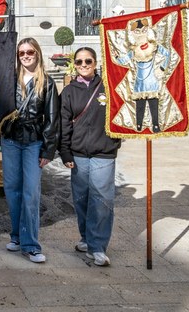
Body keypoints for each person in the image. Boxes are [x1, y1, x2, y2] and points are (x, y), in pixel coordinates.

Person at [60, 46, 122, 267]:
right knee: (82, 199)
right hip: (77, 154)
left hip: (103, 152)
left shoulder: (109, 86)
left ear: (95, 63)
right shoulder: (68, 91)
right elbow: (63, 124)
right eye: (79, 62)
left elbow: (122, 112)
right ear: (74, 65)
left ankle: (98, 246)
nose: (84, 65)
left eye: (88, 61)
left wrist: (115, 141)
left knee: (102, 200)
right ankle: (87, 238)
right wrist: (64, 151)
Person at [0, 37, 60, 263]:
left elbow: (53, 119)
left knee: (31, 193)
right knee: (12, 189)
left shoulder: (48, 82)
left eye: (30, 52)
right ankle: (16, 236)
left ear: (38, 54)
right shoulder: (10, 79)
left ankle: (31, 244)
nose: (25, 56)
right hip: (11, 140)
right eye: (21, 53)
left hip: (34, 141)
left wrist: (48, 150)